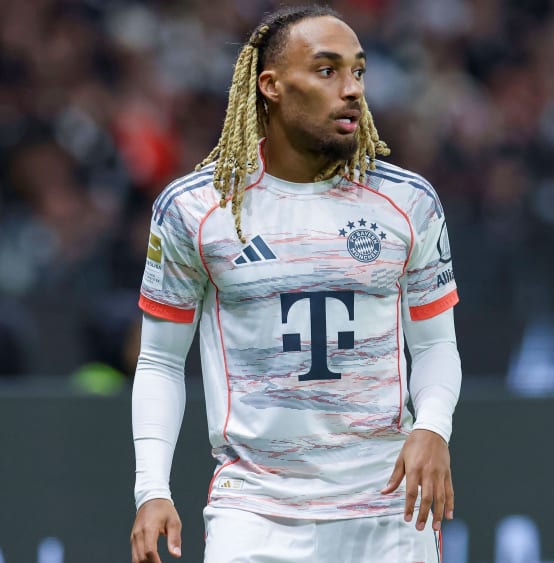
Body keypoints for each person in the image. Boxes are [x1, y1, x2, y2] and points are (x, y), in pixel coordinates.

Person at [129, 6, 462, 562]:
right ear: (272, 86)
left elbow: (435, 345)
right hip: (255, 514)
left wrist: (432, 427)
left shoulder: (408, 202)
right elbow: (160, 360)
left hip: (387, 512)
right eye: (328, 71)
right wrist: (152, 489)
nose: (352, 89)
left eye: (358, 71)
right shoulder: (197, 209)